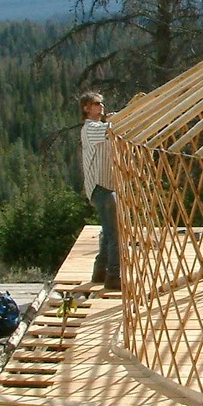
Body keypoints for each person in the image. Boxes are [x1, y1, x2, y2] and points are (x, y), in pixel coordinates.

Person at [80, 91, 120, 291]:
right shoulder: (90, 128)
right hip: (101, 186)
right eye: (96, 103)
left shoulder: (98, 127)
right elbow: (110, 130)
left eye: (101, 103)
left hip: (105, 185)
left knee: (108, 231)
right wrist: (122, 117)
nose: (101, 106)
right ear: (87, 108)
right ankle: (114, 276)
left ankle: (100, 272)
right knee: (116, 233)